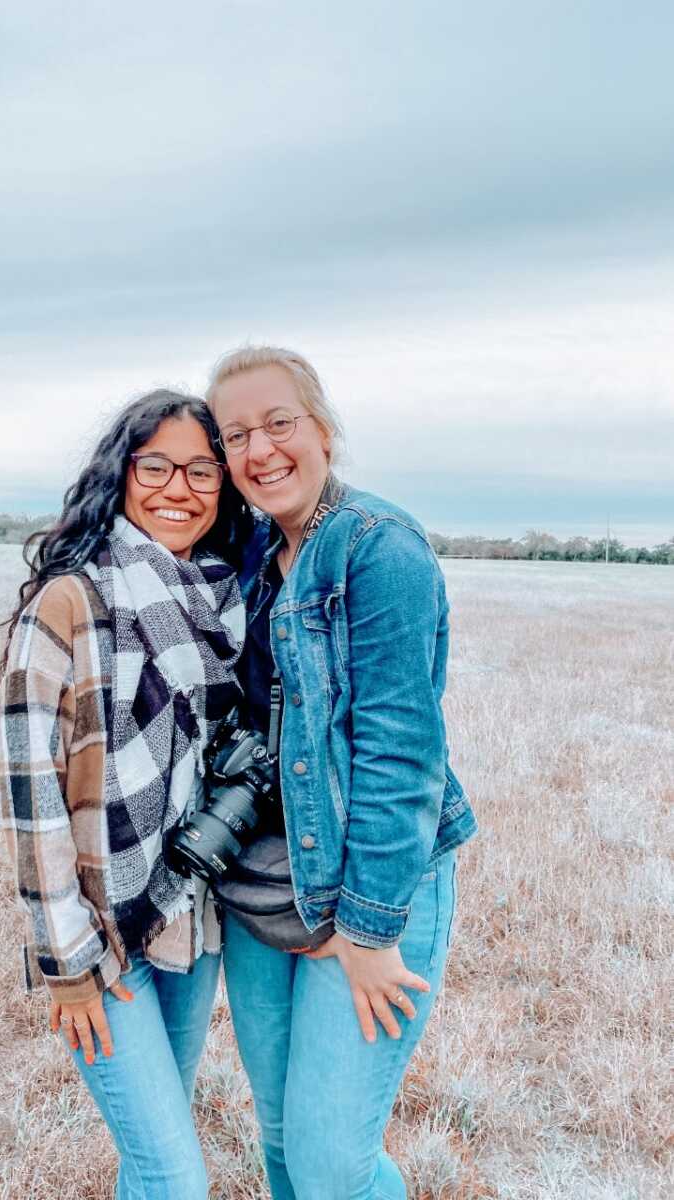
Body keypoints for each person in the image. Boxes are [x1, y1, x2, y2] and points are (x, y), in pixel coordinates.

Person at [205, 346, 478, 1200]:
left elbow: (402, 755)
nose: (260, 450)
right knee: (282, 1138)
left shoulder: (377, 549)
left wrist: (367, 931)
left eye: (278, 423)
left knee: (332, 1164)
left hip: (369, 882)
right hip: (261, 880)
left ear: (322, 429)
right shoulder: (251, 553)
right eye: (236, 434)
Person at [0, 390, 250, 1200]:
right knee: (177, 1178)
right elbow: (29, 792)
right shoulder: (71, 601)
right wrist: (66, 960)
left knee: (150, 1161)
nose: (180, 487)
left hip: (189, 918)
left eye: (202, 470)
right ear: (122, 473)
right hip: (104, 933)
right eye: (157, 466)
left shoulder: (224, 601)